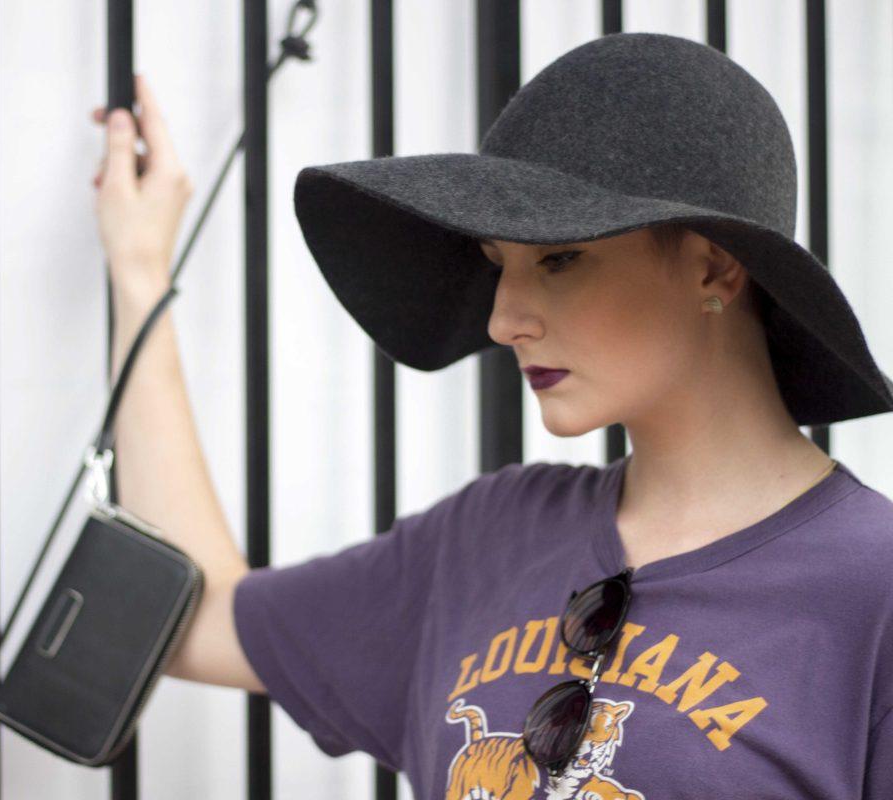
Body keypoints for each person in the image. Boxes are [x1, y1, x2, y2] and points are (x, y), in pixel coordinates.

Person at [89, 33, 893, 800]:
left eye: (560, 257)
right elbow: (194, 615)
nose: (505, 319)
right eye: (498, 265)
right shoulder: (487, 539)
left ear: (713, 265)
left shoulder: (871, 586)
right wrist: (136, 268)